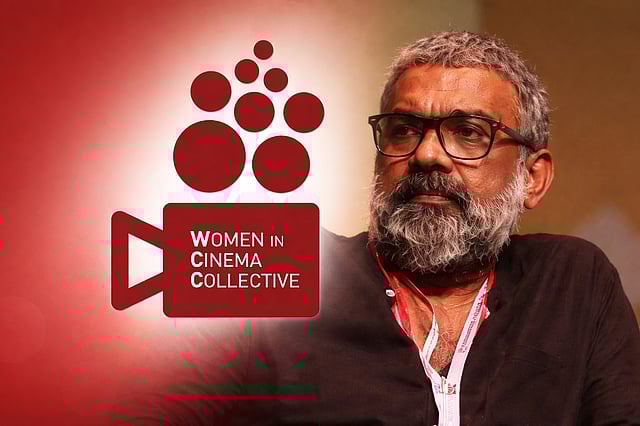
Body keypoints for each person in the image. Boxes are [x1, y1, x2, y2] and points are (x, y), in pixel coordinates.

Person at [120, 31, 640, 425]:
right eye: (404, 129)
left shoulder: (573, 281)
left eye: (468, 132)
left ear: (533, 177)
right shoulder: (274, 266)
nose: (428, 155)